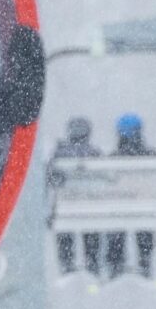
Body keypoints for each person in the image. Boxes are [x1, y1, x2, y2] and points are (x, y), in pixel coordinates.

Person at [105, 113, 156, 279]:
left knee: (115, 222)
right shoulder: (151, 155)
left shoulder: (112, 158)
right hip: (144, 207)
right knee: (144, 222)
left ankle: (115, 263)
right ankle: (145, 261)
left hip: (119, 208)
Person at [50, 117, 103, 277]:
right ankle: (92, 264)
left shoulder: (60, 153)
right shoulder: (95, 153)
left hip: (66, 206)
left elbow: (52, 179)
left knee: (65, 233)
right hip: (90, 206)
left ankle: (67, 264)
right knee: (91, 232)